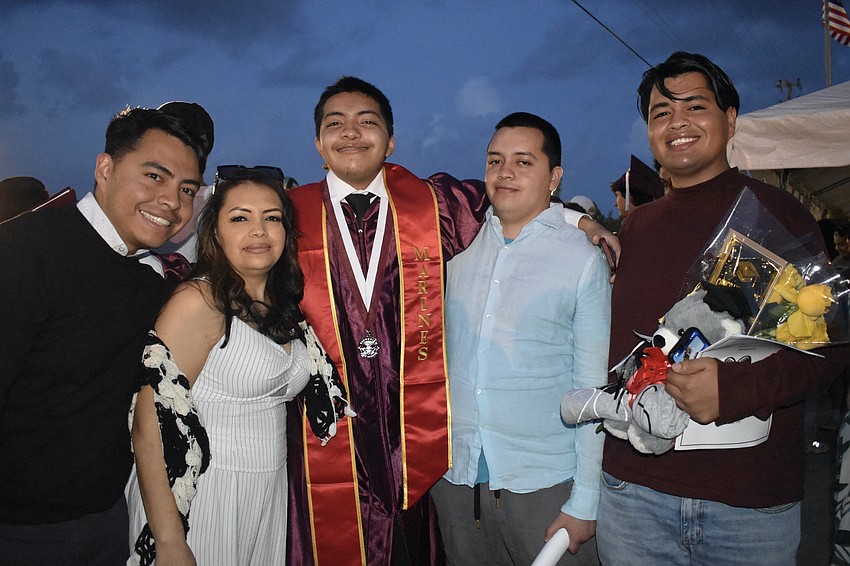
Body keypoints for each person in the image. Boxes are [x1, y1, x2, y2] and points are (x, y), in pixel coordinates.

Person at [285, 76, 617, 566]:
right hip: (333, 445)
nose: (351, 133)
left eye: (368, 122)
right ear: (317, 142)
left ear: (391, 140)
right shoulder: (285, 218)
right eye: (336, 124)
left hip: (419, 451)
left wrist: (578, 220)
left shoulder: (435, 211)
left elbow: (518, 207)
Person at [595, 51, 849, 565]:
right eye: (661, 113)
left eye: (695, 106)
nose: (678, 123)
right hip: (634, 496)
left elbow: (833, 347)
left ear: (730, 119)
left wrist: (736, 389)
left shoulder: (777, 214)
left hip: (749, 507)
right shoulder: (636, 228)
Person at [0, 103, 211, 564]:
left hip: (106, 519)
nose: (171, 202)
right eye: (154, 176)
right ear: (105, 168)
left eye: (186, 189)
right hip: (19, 531)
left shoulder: (152, 278)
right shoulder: (25, 252)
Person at [127, 166, 343, 565]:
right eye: (240, 218)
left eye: (272, 218)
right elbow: (147, 425)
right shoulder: (199, 302)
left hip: (267, 490)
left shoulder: (284, 306)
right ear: (215, 233)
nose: (258, 231)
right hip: (203, 494)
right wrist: (170, 540)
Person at [431, 112, 610, 565]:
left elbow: (594, 391)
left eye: (523, 162)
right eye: (495, 160)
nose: (504, 172)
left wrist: (585, 500)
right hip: (457, 480)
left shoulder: (582, 260)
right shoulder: (455, 247)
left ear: (554, 177)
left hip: (546, 486)